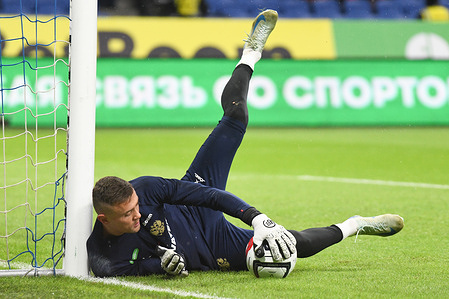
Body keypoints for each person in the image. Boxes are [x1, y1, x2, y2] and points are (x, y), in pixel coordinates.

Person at [86, 9, 404, 278]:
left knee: (236, 119)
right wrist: (160, 266)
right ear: (105, 219)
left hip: (194, 206)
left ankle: (251, 52)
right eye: (128, 214)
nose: (137, 214)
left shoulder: (145, 189)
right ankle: (356, 224)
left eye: (136, 207)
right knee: (291, 247)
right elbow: (119, 269)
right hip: (213, 251)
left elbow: (207, 195)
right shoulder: (101, 254)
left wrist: (256, 218)